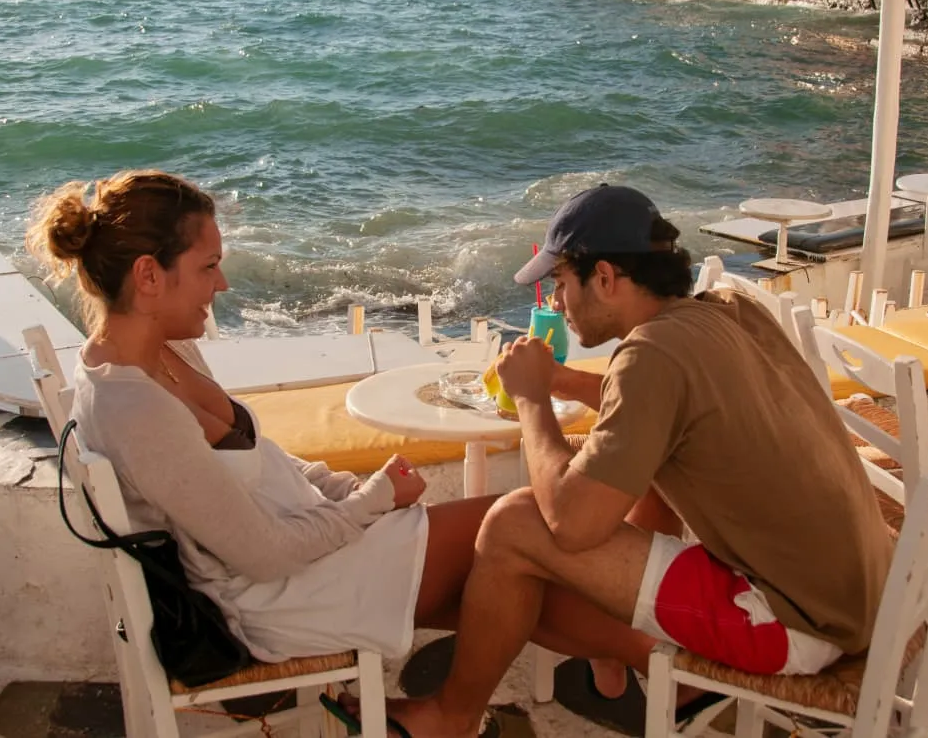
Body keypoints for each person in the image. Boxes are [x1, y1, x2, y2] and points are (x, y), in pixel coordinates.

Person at [24, 170, 662, 680]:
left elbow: (263, 464)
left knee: (498, 580)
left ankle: (638, 654)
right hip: (277, 596)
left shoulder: (162, 349)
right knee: (519, 522)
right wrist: (373, 501)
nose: (220, 285)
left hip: (312, 552)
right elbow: (263, 556)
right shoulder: (134, 408)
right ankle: (671, 634)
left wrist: (348, 494)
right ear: (148, 276)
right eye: (207, 267)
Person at [374, 184, 894, 738]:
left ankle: (451, 717)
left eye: (561, 283)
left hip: (792, 622)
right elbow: (663, 403)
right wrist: (565, 382)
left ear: (604, 278)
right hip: (857, 588)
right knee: (625, 474)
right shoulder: (727, 311)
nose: (558, 301)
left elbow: (570, 525)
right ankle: (618, 653)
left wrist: (531, 399)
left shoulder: (649, 357)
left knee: (512, 527)